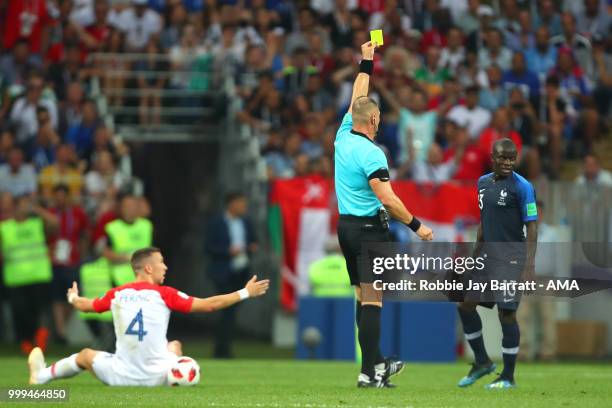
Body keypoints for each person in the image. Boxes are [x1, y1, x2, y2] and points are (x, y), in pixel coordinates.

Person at [334, 41, 433, 388]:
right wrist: (417, 226)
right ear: (374, 119)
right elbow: (388, 199)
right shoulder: (372, 154)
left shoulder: (343, 134)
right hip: (369, 231)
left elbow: (357, 96)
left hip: (345, 228)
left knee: (363, 298)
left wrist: (366, 60)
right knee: (374, 300)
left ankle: (376, 365)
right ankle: (369, 372)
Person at [27, 247, 269, 386]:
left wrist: (72, 298)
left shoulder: (118, 294)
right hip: (158, 377)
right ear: (149, 268)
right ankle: (178, 377)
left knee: (85, 356)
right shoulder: (164, 294)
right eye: (162, 262)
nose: (165, 267)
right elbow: (209, 305)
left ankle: (41, 377)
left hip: (119, 375)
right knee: (174, 345)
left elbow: (86, 305)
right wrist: (245, 292)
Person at [456, 138, 538, 389]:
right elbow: (484, 222)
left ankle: (508, 376)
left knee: (507, 314)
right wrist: (473, 258)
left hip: (511, 257)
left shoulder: (523, 187)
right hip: (487, 256)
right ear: (493, 157)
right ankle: (482, 362)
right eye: (503, 157)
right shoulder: (482, 183)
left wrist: (529, 266)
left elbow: (532, 226)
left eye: (512, 158)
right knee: (465, 305)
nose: (507, 162)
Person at [0, 195, 59, 354]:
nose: (24, 208)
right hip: (16, 278)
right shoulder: (5, 227)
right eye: (21, 205)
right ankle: (26, 342)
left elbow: (54, 223)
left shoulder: (37, 223)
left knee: (39, 311)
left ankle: (39, 339)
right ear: (14, 207)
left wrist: (36, 209)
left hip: (39, 276)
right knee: (20, 312)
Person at [205, 192, 258, 359]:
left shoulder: (246, 222)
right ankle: (221, 349)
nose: (244, 207)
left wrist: (251, 247)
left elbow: (253, 241)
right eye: (241, 203)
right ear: (231, 204)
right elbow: (208, 247)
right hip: (223, 272)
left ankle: (224, 349)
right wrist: (227, 252)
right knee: (225, 310)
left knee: (231, 312)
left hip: (241, 271)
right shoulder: (216, 223)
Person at [517, 201, 558, 361]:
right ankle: (522, 352)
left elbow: (559, 259)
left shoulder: (552, 234)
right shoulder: (520, 232)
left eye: (539, 212)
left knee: (548, 317)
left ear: (543, 213)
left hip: (547, 279)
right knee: (522, 316)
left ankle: (548, 352)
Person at [103, 195, 153, 286]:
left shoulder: (146, 226)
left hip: (145, 280)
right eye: (127, 206)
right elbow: (106, 253)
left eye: (133, 206)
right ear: (121, 208)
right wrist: (126, 257)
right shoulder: (113, 228)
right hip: (120, 280)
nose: (130, 209)